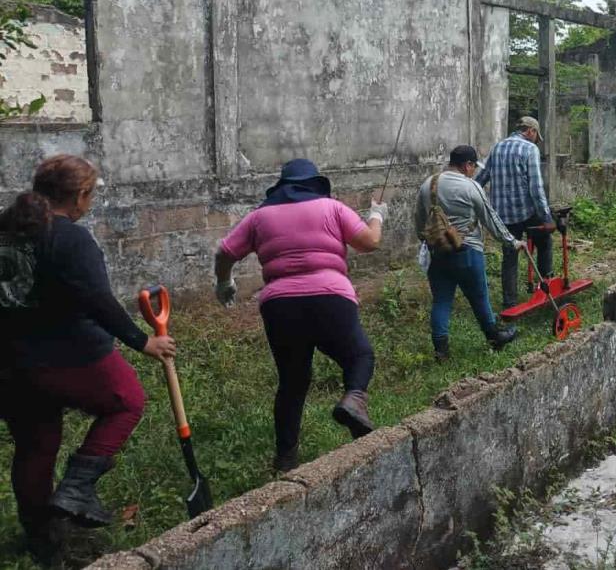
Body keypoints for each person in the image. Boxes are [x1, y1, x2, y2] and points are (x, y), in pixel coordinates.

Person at [0, 155, 176, 563]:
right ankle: (77, 488)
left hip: (10, 364)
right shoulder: (69, 238)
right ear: (80, 196)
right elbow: (97, 300)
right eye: (91, 194)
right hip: (71, 355)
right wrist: (142, 342)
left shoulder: (6, 228)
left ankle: (43, 541)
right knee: (127, 400)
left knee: (35, 446)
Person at [213, 158, 385, 473]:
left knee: (292, 382)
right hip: (331, 297)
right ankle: (354, 400)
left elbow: (224, 252)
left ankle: (285, 458)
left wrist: (224, 282)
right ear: (315, 183)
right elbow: (370, 242)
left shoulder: (259, 217)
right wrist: (377, 214)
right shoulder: (332, 208)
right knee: (359, 355)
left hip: (280, 306)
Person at [416, 146, 524, 361]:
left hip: (438, 253)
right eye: (473, 167)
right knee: (479, 297)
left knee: (441, 301)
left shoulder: (428, 185)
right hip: (468, 252)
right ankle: (494, 337)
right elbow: (491, 219)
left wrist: (428, 242)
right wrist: (512, 242)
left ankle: (441, 350)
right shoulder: (471, 187)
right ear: (467, 165)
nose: (474, 171)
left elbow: (420, 220)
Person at [476, 116, 555, 309]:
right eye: (536, 136)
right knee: (545, 241)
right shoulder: (530, 149)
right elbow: (536, 188)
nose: (536, 140)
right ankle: (546, 287)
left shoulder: (498, 147)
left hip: (503, 216)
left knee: (509, 256)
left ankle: (509, 302)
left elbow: (481, 180)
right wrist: (546, 217)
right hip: (526, 212)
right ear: (531, 131)